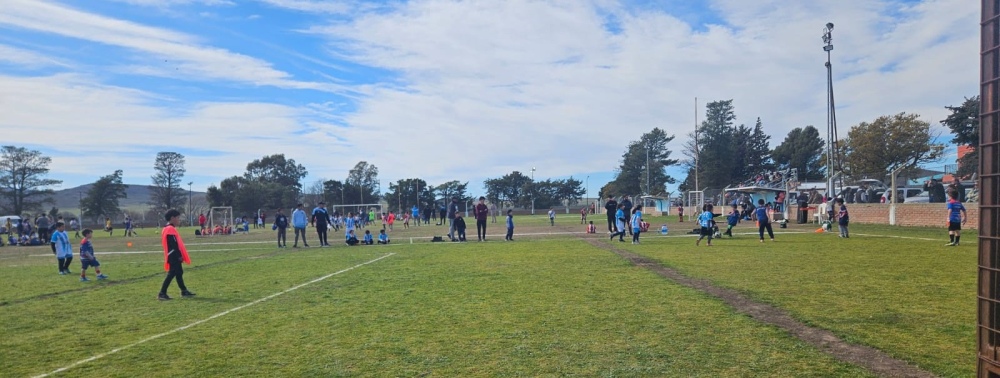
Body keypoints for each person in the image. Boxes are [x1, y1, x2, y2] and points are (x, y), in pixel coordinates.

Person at [158, 209, 195, 300]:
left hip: (172, 254)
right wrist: (179, 255)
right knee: (172, 273)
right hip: (173, 255)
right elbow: (173, 244)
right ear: (172, 218)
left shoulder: (168, 228)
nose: (179, 220)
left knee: (179, 272)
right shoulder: (170, 229)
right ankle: (162, 293)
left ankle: (184, 290)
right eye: (178, 218)